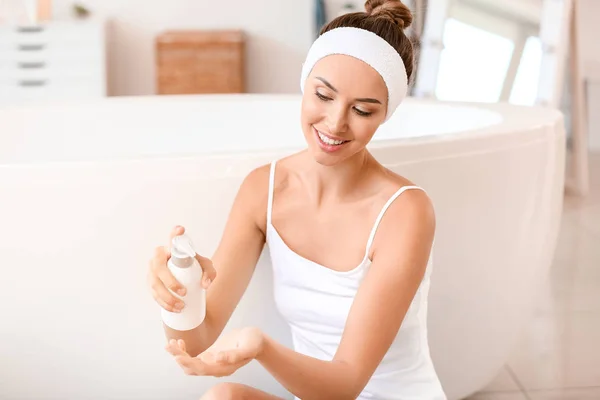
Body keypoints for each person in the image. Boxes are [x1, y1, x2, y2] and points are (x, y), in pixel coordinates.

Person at [147, 0, 447, 398]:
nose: (336, 123)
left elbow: (345, 384)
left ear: (384, 115)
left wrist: (261, 347)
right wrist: (180, 295)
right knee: (223, 397)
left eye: (361, 110)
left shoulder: (405, 212)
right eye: (323, 96)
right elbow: (194, 342)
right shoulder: (264, 190)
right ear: (305, 85)